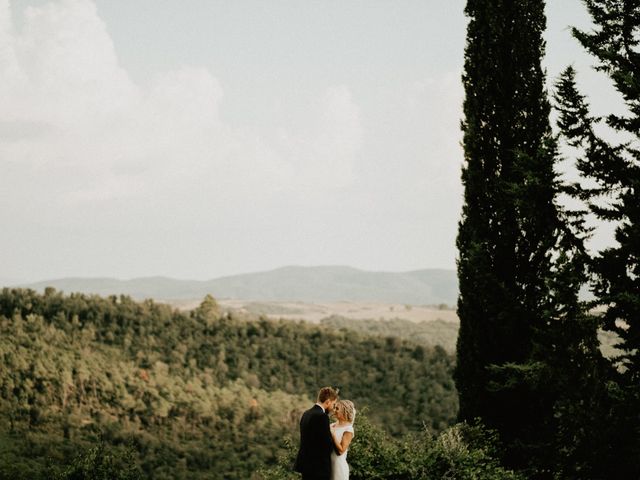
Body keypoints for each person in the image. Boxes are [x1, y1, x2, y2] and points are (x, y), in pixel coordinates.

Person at [294, 387, 339, 480]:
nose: (333, 407)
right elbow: (327, 445)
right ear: (328, 402)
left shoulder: (306, 413)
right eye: (333, 404)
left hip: (305, 465)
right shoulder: (322, 417)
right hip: (318, 468)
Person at [329, 400, 356, 480]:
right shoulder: (332, 425)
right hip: (327, 465)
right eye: (334, 408)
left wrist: (333, 435)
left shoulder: (348, 429)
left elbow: (341, 451)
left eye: (337, 409)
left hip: (338, 467)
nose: (334, 410)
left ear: (344, 411)